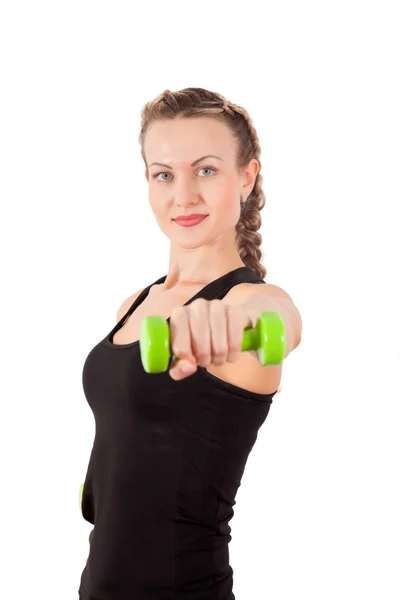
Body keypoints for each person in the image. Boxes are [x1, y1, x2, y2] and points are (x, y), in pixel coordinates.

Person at [78, 87, 302, 599]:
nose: (183, 196)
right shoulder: (136, 303)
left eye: (206, 170)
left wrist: (228, 323)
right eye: (164, 174)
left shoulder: (251, 299)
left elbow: (280, 322)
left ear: (246, 176)